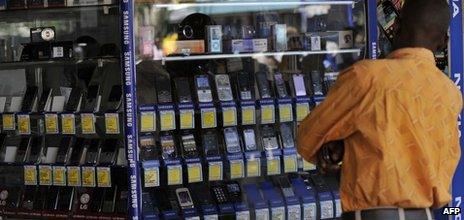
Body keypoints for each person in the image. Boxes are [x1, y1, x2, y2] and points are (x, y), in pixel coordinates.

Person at [296, 0, 462, 219]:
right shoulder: (450, 93)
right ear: (443, 42)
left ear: (397, 27)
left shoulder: (367, 77)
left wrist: (338, 151)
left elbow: (307, 138)